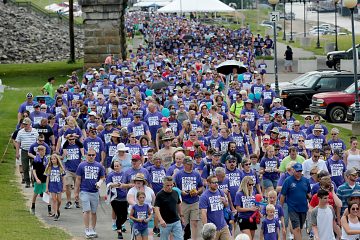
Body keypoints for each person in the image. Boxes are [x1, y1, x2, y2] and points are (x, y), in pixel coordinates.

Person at [74, 148, 106, 239]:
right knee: (86, 210)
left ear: (95, 155)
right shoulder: (81, 165)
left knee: (94, 212)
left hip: (94, 192)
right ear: (86, 155)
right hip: (84, 191)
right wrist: (76, 192)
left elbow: (103, 177)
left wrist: (100, 182)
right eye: (89, 155)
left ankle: (93, 228)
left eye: (93, 155)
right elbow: (78, 179)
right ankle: (87, 229)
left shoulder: (99, 166)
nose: (91, 156)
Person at [174, 156, 204, 240]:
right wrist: (181, 192)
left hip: (194, 201)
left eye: (191, 164)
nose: (191, 166)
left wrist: (197, 192)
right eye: (188, 164)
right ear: (184, 164)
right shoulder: (179, 174)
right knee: (184, 223)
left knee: (195, 223)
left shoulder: (196, 174)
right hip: (183, 202)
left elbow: (201, 186)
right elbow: (174, 187)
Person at [280, 163, 311, 240]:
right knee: (296, 228)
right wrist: (280, 208)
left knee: (300, 228)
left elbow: (309, 193)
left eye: (300, 171)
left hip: (303, 208)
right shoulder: (288, 181)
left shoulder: (306, 181)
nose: (299, 172)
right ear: (293, 170)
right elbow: (283, 195)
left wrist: (310, 198)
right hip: (292, 208)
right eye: (297, 171)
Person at [199, 175, 231, 240]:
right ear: (208, 183)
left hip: (223, 225)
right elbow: (203, 213)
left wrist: (224, 201)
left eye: (217, 182)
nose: (216, 184)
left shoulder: (220, 192)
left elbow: (226, 205)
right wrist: (206, 227)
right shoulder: (204, 196)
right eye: (214, 182)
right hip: (212, 229)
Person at [154, 176, 184, 240]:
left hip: (176, 221)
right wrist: (161, 220)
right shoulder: (159, 195)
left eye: (171, 185)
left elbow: (179, 204)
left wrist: (181, 216)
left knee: (180, 238)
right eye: (167, 185)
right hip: (165, 223)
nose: (170, 187)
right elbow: (156, 208)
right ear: (163, 184)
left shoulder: (175, 192)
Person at [106, 159, 128, 239]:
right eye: (115, 166)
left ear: (121, 166)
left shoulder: (124, 174)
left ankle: (119, 225)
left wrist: (123, 185)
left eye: (117, 166)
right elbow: (108, 185)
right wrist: (114, 184)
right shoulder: (110, 175)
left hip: (124, 198)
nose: (116, 167)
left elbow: (127, 184)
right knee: (119, 215)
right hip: (115, 198)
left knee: (125, 216)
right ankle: (119, 232)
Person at [15, 117, 39, 188]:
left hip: (33, 151)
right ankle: (27, 182)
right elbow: (18, 142)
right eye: (24, 124)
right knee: (25, 167)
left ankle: (34, 181)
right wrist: (17, 152)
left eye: (26, 124)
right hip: (24, 151)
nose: (25, 125)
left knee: (34, 167)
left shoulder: (35, 131)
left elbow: (38, 141)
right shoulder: (20, 132)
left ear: (30, 124)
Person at [44, 154, 66, 221]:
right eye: (52, 159)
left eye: (54, 159)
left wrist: (64, 186)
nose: (53, 160)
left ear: (57, 160)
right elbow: (47, 178)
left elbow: (63, 178)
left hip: (59, 185)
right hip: (52, 185)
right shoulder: (49, 168)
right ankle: (56, 213)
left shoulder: (60, 168)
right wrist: (46, 188)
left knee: (59, 200)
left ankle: (57, 209)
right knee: (54, 200)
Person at [30, 145, 49, 215]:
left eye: (43, 150)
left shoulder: (46, 159)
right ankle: (33, 206)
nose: (42, 152)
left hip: (44, 178)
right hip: (38, 178)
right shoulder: (36, 160)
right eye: (41, 150)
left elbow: (47, 168)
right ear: (38, 151)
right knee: (36, 193)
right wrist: (36, 179)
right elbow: (33, 170)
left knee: (47, 193)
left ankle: (49, 210)